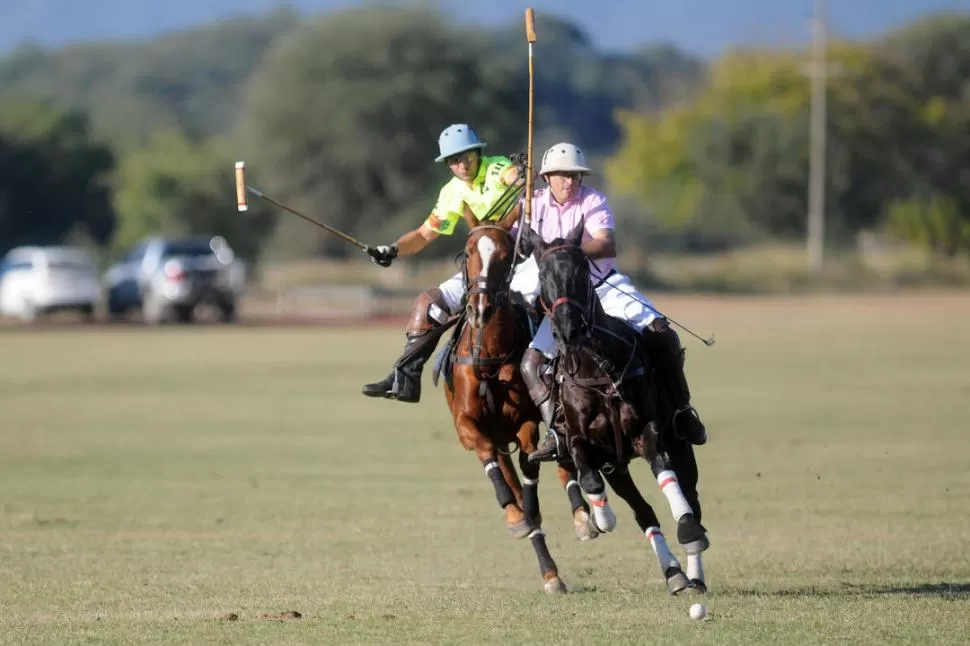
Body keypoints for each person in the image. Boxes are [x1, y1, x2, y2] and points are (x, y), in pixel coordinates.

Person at [519, 142, 707, 463]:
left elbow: (606, 244)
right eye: (563, 175)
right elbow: (508, 241)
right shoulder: (530, 206)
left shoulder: (593, 200)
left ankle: (681, 410)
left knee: (662, 332)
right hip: (564, 301)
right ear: (546, 177)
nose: (570, 181)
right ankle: (558, 432)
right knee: (531, 364)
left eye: (576, 176)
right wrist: (513, 195)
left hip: (604, 287)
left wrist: (569, 252)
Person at [361, 123, 540, 402]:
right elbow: (423, 235)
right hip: (483, 270)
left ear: (478, 153)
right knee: (428, 303)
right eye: (453, 161)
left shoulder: (496, 168)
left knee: (549, 310)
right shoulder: (452, 192)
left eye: (465, 156)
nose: (461, 165)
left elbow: (512, 175)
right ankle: (405, 375)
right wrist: (393, 249)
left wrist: (520, 177)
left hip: (523, 262)